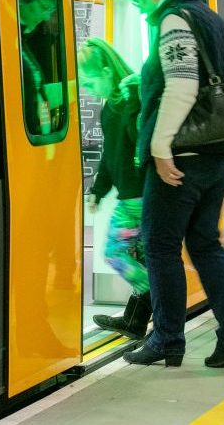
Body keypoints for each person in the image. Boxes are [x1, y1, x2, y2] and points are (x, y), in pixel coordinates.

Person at [120, 0, 224, 368]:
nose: (141, 9)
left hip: (183, 157)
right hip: (220, 153)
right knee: (205, 244)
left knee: (159, 246)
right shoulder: (208, 16)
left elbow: (181, 85)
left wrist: (160, 148)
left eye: (138, 0)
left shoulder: (174, 19)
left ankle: (166, 340)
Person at [78, 38, 151, 340]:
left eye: (91, 82)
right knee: (144, 256)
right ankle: (135, 321)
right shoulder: (111, 107)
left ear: (107, 72)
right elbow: (111, 155)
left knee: (114, 252)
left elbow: (142, 142)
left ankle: (159, 291)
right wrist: (97, 189)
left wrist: (135, 98)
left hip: (141, 196)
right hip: (135, 195)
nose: (88, 90)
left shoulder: (133, 98)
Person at [16, 0, 64, 137]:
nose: (46, 16)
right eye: (43, 7)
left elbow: (35, 96)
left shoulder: (23, 42)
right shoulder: (12, 46)